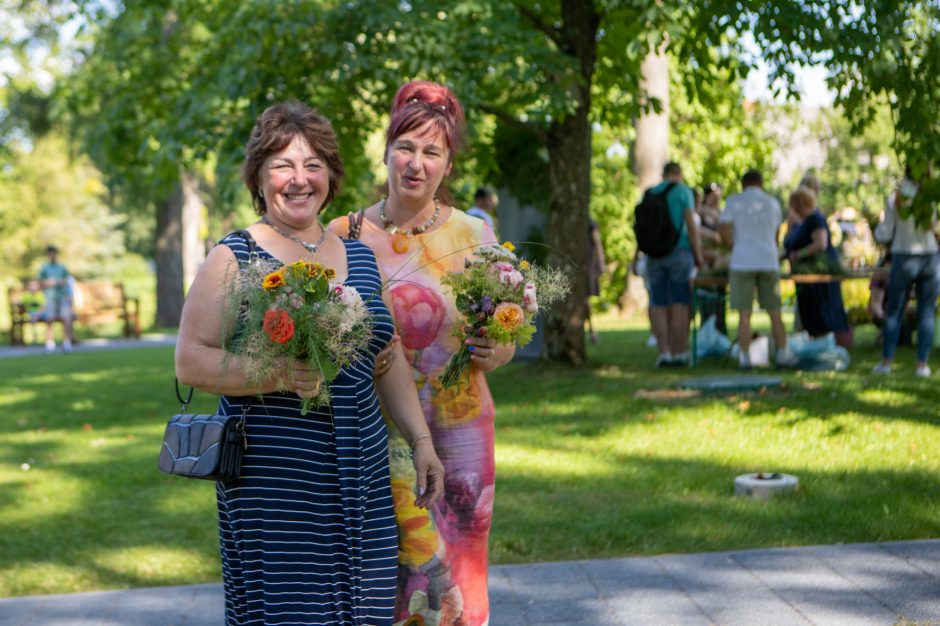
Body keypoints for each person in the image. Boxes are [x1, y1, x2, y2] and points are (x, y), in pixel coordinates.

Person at [175, 101, 444, 626]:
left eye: (312, 164)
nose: (298, 179)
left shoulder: (360, 257)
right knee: (292, 613)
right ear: (259, 176)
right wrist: (275, 373)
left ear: (330, 175)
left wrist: (422, 443)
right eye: (282, 165)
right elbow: (191, 361)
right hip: (276, 484)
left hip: (361, 475)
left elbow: (384, 363)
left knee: (362, 611)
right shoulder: (235, 257)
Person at [328, 80, 514, 626]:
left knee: (460, 574)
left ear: (447, 164)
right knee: (387, 578)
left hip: (460, 433)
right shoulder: (345, 233)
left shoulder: (474, 234)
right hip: (373, 434)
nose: (416, 163)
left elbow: (502, 340)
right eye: (405, 148)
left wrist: (496, 350)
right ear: (385, 152)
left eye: (431, 152)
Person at [719, 170, 796, 368]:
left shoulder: (734, 201)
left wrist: (734, 246)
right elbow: (776, 234)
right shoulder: (772, 203)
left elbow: (724, 232)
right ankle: (783, 353)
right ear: (761, 183)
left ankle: (745, 357)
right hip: (768, 259)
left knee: (744, 314)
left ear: (743, 184)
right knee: (774, 311)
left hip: (742, 261)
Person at [872, 170, 940, 377]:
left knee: (894, 310)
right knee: (926, 312)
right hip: (929, 257)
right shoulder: (928, 198)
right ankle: (922, 365)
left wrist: (875, 230)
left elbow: (885, 232)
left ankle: (886, 362)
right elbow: (934, 227)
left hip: (903, 256)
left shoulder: (897, 198)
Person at [644, 161, 705, 367]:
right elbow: (691, 224)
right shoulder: (682, 191)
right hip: (679, 251)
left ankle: (664, 352)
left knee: (658, 302)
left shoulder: (651, 192)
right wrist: (698, 255)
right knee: (680, 302)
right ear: (678, 173)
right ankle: (679, 351)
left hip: (654, 255)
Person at [783, 186, 850, 343]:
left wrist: (799, 255)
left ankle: (827, 344)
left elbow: (821, 244)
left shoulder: (816, 219)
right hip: (803, 277)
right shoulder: (801, 223)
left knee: (822, 313)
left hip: (818, 275)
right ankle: (814, 342)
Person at [696, 182, 728, 333]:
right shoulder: (700, 214)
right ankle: (707, 333)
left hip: (720, 261)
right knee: (707, 300)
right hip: (705, 261)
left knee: (720, 301)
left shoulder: (722, 214)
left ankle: (720, 332)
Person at [37, 245, 74, 353]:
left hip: (62, 296)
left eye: (54, 253)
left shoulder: (62, 267)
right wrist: (48, 283)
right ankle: (50, 344)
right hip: (49, 297)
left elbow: (68, 280)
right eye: (50, 253)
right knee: (49, 319)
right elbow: (39, 283)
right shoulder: (44, 268)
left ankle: (67, 343)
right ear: (48, 254)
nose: (52, 255)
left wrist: (60, 283)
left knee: (66, 319)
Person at [586, 217, 607, 343]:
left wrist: (601, 262)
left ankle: (592, 330)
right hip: (580, 266)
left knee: (585, 300)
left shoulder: (589, 222)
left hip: (587, 265)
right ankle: (592, 330)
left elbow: (597, 242)